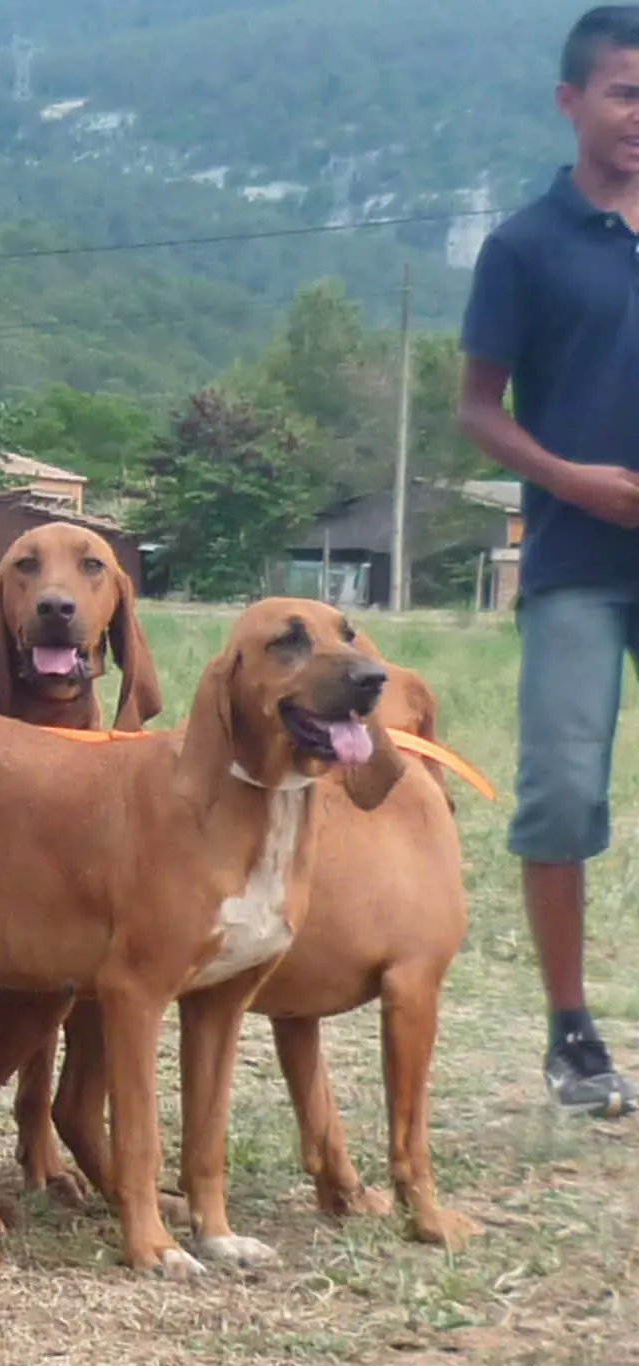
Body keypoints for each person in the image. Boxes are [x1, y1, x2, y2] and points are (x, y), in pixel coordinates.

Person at [458, 4, 639, 1117]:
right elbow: (477, 410)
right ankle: (570, 1033)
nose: (638, 118)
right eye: (622, 93)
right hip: (575, 557)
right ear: (570, 101)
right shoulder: (521, 245)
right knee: (563, 792)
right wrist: (572, 480)